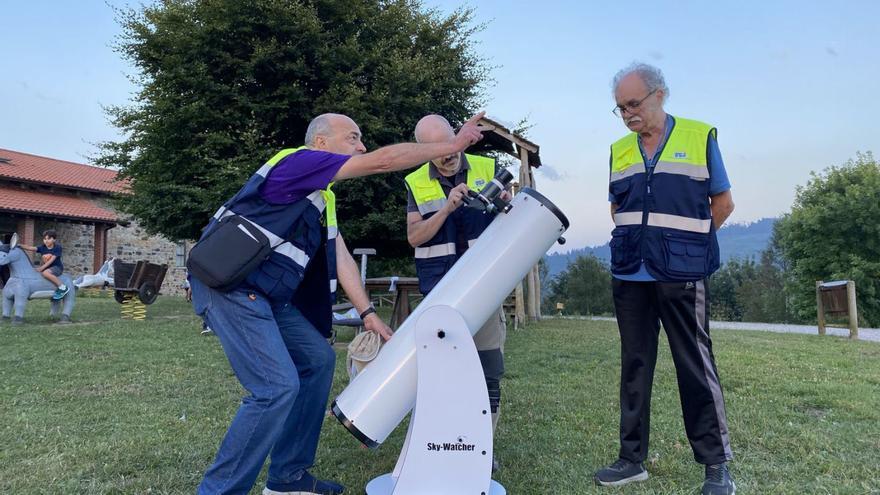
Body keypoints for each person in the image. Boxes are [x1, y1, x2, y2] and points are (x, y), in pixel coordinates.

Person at [189, 111, 487, 495]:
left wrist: (367, 315)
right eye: (353, 137)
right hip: (230, 289)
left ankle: (288, 478)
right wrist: (454, 143)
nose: (361, 146)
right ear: (321, 143)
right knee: (275, 388)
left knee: (318, 359)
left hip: (263, 296)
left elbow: (340, 255)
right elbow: (382, 160)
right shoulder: (296, 163)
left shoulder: (319, 196)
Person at [594, 63, 736, 495]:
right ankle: (630, 460)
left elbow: (723, 203)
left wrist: (688, 247)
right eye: (620, 108)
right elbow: (616, 207)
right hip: (630, 273)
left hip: (682, 273)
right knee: (634, 365)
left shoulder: (699, 136)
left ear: (660, 95)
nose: (627, 114)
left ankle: (717, 469)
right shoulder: (619, 149)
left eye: (633, 104)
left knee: (694, 364)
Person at [404, 114, 508, 472]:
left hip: (484, 287)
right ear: (426, 150)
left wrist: (508, 204)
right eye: (438, 150)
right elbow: (414, 238)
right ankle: (446, 445)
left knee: (487, 370)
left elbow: (511, 225)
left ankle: (484, 449)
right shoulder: (416, 182)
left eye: (450, 145)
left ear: (457, 136)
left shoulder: (485, 166)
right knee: (442, 374)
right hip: (441, 293)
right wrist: (447, 207)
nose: (448, 156)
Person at [19, 229, 70, 300]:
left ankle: (62, 287)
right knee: (36, 272)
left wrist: (41, 268)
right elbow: (30, 248)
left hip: (57, 268)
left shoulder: (57, 248)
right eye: (45, 239)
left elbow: (51, 261)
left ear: (54, 240)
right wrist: (19, 245)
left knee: (45, 273)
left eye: (49, 239)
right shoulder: (42, 247)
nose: (46, 240)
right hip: (47, 268)